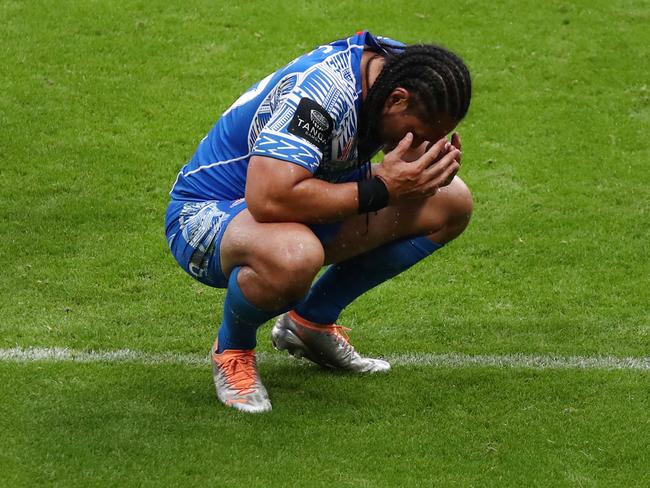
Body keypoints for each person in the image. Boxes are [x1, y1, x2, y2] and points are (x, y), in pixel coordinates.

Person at [165, 30, 472, 413]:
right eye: (419, 133)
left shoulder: (402, 71)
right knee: (295, 255)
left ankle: (311, 324)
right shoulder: (322, 94)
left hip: (306, 195)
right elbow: (267, 198)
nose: (419, 143)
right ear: (397, 100)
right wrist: (384, 189)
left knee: (451, 202)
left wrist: (423, 172)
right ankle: (233, 349)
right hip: (206, 217)